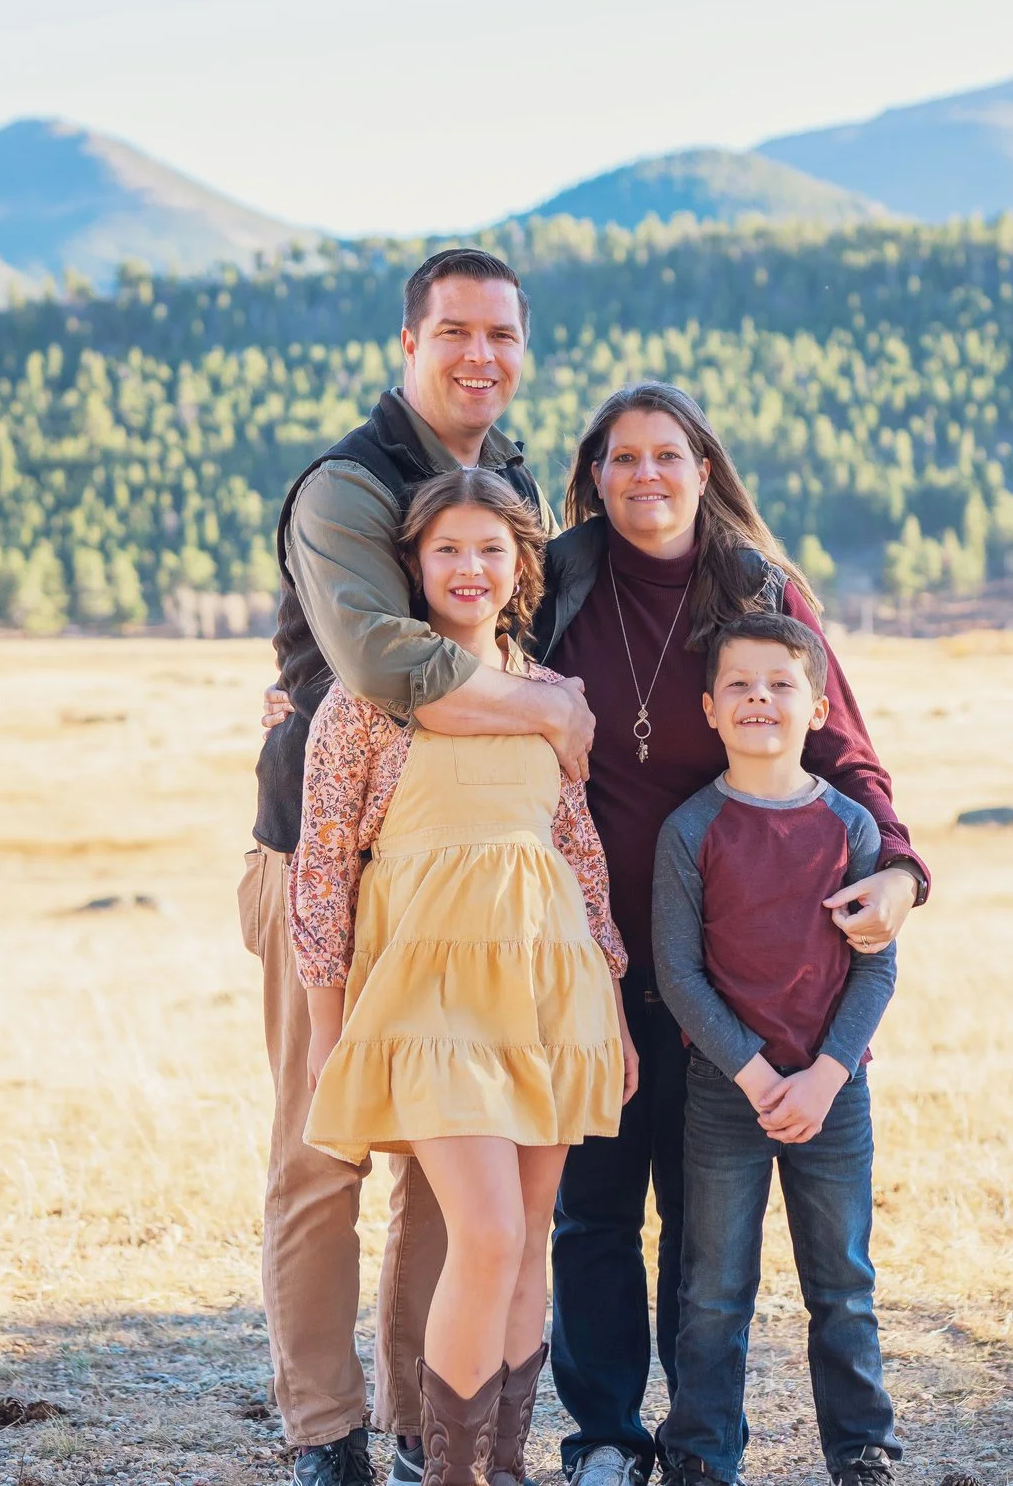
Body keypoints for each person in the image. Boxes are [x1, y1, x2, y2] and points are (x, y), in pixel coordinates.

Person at [528, 383, 929, 1486]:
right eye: (621, 459)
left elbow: (842, 745)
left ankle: (698, 1436)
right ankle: (607, 1435)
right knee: (596, 1207)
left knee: (703, 1230)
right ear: (593, 475)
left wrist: (898, 865)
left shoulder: (759, 585)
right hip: (589, 956)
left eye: (668, 456)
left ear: (705, 468)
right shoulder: (556, 581)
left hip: (734, 979)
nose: (644, 477)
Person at [246, 247, 597, 1486]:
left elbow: (507, 637)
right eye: (454, 331)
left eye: (502, 334)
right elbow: (384, 665)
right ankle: (323, 1434)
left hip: (484, 889)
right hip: (333, 863)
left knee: (453, 1178)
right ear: (410, 344)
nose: (480, 356)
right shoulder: (343, 488)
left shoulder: (510, 481)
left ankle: (420, 1426)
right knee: (326, 1147)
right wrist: (543, 711)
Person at [292, 468, 639, 1486]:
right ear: (413, 563)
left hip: (550, 987)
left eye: (490, 548)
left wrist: (610, 1011)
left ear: (519, 565)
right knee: (483, 1228)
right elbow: (321, 877)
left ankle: (503, 1466)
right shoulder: (366, 704)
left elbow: (580, 856)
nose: (469, 568)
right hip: (427, 994)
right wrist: (325, 1028)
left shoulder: (548, 700)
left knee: (529, 1234)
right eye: (446, 548)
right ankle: (445, 1475)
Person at [649, 613, 900, 1486]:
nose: (761, 698)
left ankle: (861, 1448)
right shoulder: (690, 830)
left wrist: (825, 1078)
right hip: (728, 1093)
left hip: (835, 1094)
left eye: (781, 684)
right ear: (710, 709)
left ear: (819, 707)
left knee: (842, 1284)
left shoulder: (851, 829)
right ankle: (701, 1454)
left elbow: (875, 974)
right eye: (741, 685)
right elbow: (679, 974)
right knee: (714, 1290)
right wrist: (757, 1076)